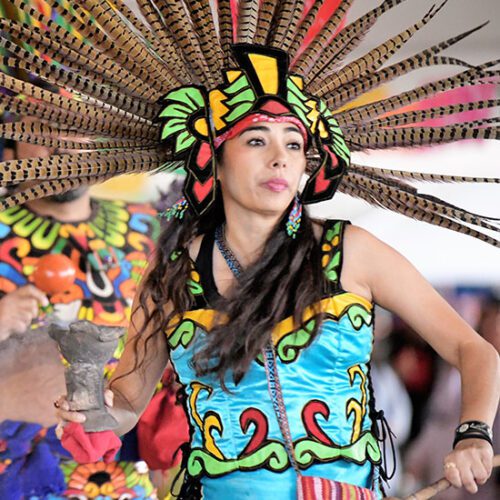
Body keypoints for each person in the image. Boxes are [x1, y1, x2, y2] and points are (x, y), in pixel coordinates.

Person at [1, 2, 499, 499]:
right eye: (257, 140)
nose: (281, 157)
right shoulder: (175, 273)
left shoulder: (350, 251)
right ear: (213, 159)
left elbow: (473, 350)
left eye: (294, 143)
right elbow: (130, 400)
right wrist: (94, 415)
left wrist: (473, 432)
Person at [0, 137, 161, 497]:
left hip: (126, 473)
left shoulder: (151, 228)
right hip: (13, 472)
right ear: (10, 145)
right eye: (44, 133)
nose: (64, 147)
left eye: (77, 134)